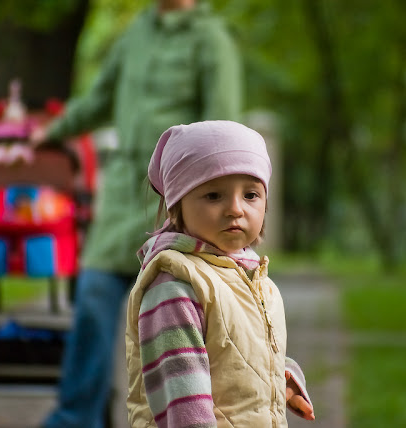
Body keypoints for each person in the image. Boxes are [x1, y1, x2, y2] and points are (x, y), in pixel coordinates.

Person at [31, 1, 242, 427]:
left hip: (177, 196)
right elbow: (97, 101)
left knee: (176, 317)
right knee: (93, 298)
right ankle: (75, 419)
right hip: (122, 194)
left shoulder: (211, 40)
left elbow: (221, 133)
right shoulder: (135, 35)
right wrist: (47, 134)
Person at [125, 120, 316, 427]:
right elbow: (185, 405)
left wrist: (284, 378)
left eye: (250, 195)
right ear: (176, 206)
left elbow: (241, 357)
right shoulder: (175, 287)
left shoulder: (253, 278)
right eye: (214, 195)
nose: (235, 209)